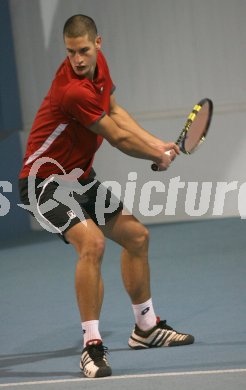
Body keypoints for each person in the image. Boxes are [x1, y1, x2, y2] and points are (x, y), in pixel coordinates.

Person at [19, 14, 194, 379]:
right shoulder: (72, 89)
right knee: (93, 244)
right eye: (70, 53)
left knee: (137, 237)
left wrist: (156, 143)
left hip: (79, 178)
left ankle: (145, 329)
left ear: (98, 44)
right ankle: (91, 346)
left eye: (83, 50)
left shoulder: (98, 72)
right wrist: (153, 155)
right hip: (44, 182)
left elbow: (116, 112)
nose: (77, 59)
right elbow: (116, 137)